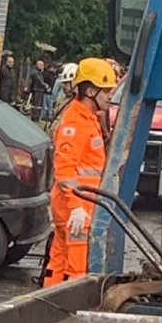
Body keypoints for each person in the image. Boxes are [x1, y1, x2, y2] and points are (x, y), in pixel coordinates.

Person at [42, 57, 117, 287]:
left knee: (60, 259)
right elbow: (65, 170)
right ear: (91, 91)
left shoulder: (86, 119)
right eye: (106, 91)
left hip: (79, 205)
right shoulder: (75, 123)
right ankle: (71, 312)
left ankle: (48, 303)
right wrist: (75, 208)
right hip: (75, 208)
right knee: (77, 267)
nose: (110, 96)